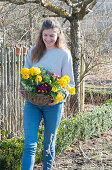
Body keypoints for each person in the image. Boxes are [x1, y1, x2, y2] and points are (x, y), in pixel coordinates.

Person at [22, 18, 75, 170]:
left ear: (58, 35)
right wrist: (23, 88)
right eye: (45, 35)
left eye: (52, 35)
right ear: (41, 35)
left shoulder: (64, 54)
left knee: (49, 144)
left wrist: (61, 95)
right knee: (29, 144)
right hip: (32, 104)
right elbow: (25, 76)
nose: (48, 39)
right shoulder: (33, 52)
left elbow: (70, 83)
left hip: (54, 105)